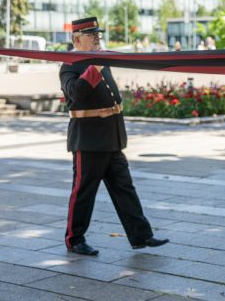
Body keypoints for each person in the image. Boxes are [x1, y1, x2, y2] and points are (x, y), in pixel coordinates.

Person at [60, 16, 169, 257]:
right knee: (83, 192)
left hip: (111, 137)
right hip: (88, 140)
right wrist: (95, 67)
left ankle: (141, 235)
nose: (98, 38)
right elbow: (75, 94)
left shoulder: (100, 61)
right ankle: (74, 239)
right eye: (92, 35)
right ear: (77, 39)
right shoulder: (69, 65)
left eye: (98, 34)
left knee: (124, 188)